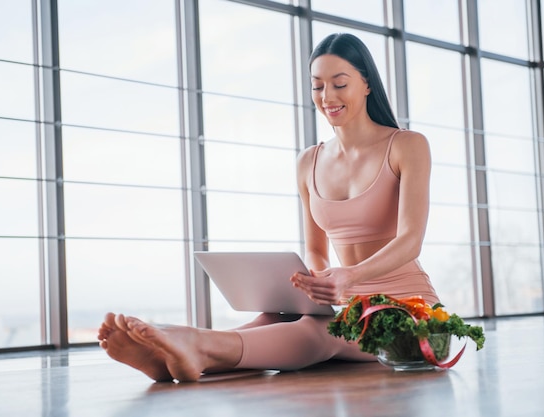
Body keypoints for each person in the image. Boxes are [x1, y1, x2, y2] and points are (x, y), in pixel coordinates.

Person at [97, 33, 440, 382]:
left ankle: (194, 344)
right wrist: (318, 284)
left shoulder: (407, 146)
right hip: (349, 302)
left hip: (408, 310)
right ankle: (172, 358)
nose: (327, 97)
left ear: (366, 84)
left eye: (339, 84)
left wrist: (349, 276)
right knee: (276, 317)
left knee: (321, 332)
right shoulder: (309, 161)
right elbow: (316, 249)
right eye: (317, 86)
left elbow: (411, 240)